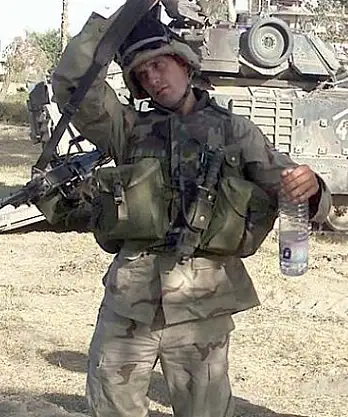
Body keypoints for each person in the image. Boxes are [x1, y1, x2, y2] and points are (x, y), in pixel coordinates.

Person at [50, 5, 331, 417]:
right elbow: (74, 85)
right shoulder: (127, 129)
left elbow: (289, 183)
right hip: (129, 305)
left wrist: (312, 186)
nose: (153, 79)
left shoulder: (236, 131)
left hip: (203, 308)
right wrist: (113, 22)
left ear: (183, 63)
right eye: (142, 75)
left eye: (158, 65)